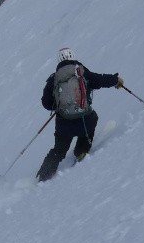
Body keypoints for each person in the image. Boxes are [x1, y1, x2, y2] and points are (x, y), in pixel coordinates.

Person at [37, 46, 123, 182]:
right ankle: (81, 151)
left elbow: (46, 104)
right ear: (74, 57)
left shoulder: (54, 78)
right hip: (84, 120)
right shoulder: (82, 73)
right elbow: (99, 80)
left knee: (58, 150)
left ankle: (43, 176)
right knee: (93, 118)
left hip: (63, 124)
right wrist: (115, 80)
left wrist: (59, 103)